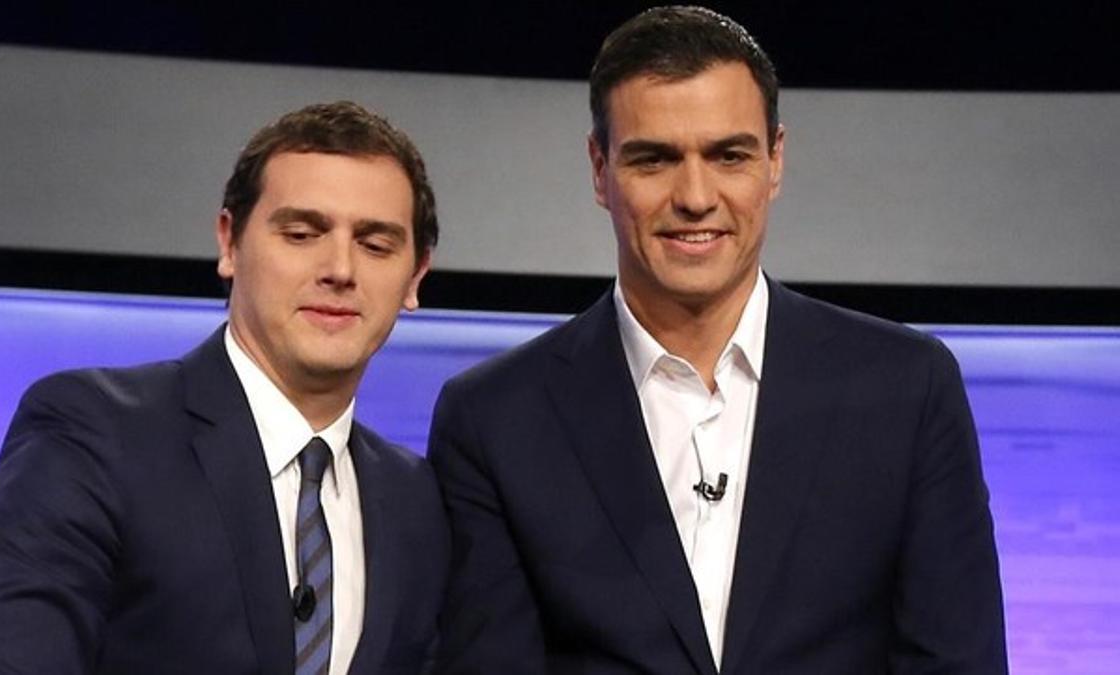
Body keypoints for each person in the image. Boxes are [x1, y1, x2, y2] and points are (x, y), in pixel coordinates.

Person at [428, 6, 1007, 673]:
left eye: (728, 155)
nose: (696, 196)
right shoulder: (496, 418)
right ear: (599, 168)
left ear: (775, 161)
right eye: (655, 159)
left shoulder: (907, 388)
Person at [0, 101, 449, 674]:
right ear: (230, 243)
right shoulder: (95, 434)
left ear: (415, 276)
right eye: (301, 233)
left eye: (375, 245)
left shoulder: (415, 500)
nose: (340, 269)